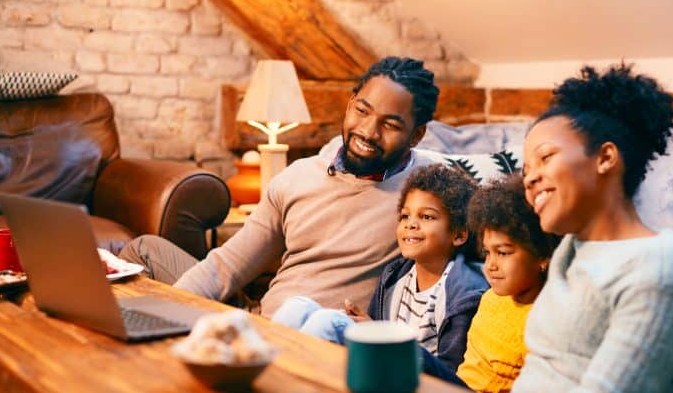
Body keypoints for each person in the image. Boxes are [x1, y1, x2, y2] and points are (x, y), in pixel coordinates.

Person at [120, 56, 440, 318]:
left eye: (390, 124)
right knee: (144, 250)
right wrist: (165, 313)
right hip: (257, 320)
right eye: (362, 111)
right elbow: (227, 267)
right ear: (349, 105)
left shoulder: (428, 192)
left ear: (416, 135)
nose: (368, 132)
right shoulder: (298, 177)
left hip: (317, 339)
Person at [507, 64, 673, 393]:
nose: (529, 177)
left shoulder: (662, 266)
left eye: (545, 157)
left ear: (606, 157)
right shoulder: (571, 249)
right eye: (526, 168)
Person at [272, 164, 487, 375]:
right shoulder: (396, 275)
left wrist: (379, 333)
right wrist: (371, 326)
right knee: (297, 307)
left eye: (426, 217)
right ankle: (275, 379)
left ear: (458, 235)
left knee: (327, 323)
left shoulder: (464, 292)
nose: (410, 224)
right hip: (386, 362)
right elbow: (377, 326)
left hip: (417, 381)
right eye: (405, 216)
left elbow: (451, 373)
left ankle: (293, 387)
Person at [427, 174, 560, 393]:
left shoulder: (548, 320)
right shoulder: (490, 298)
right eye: (487, 252)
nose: (490, 265)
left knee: (411, 357)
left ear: (542, 256)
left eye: (503, 253)